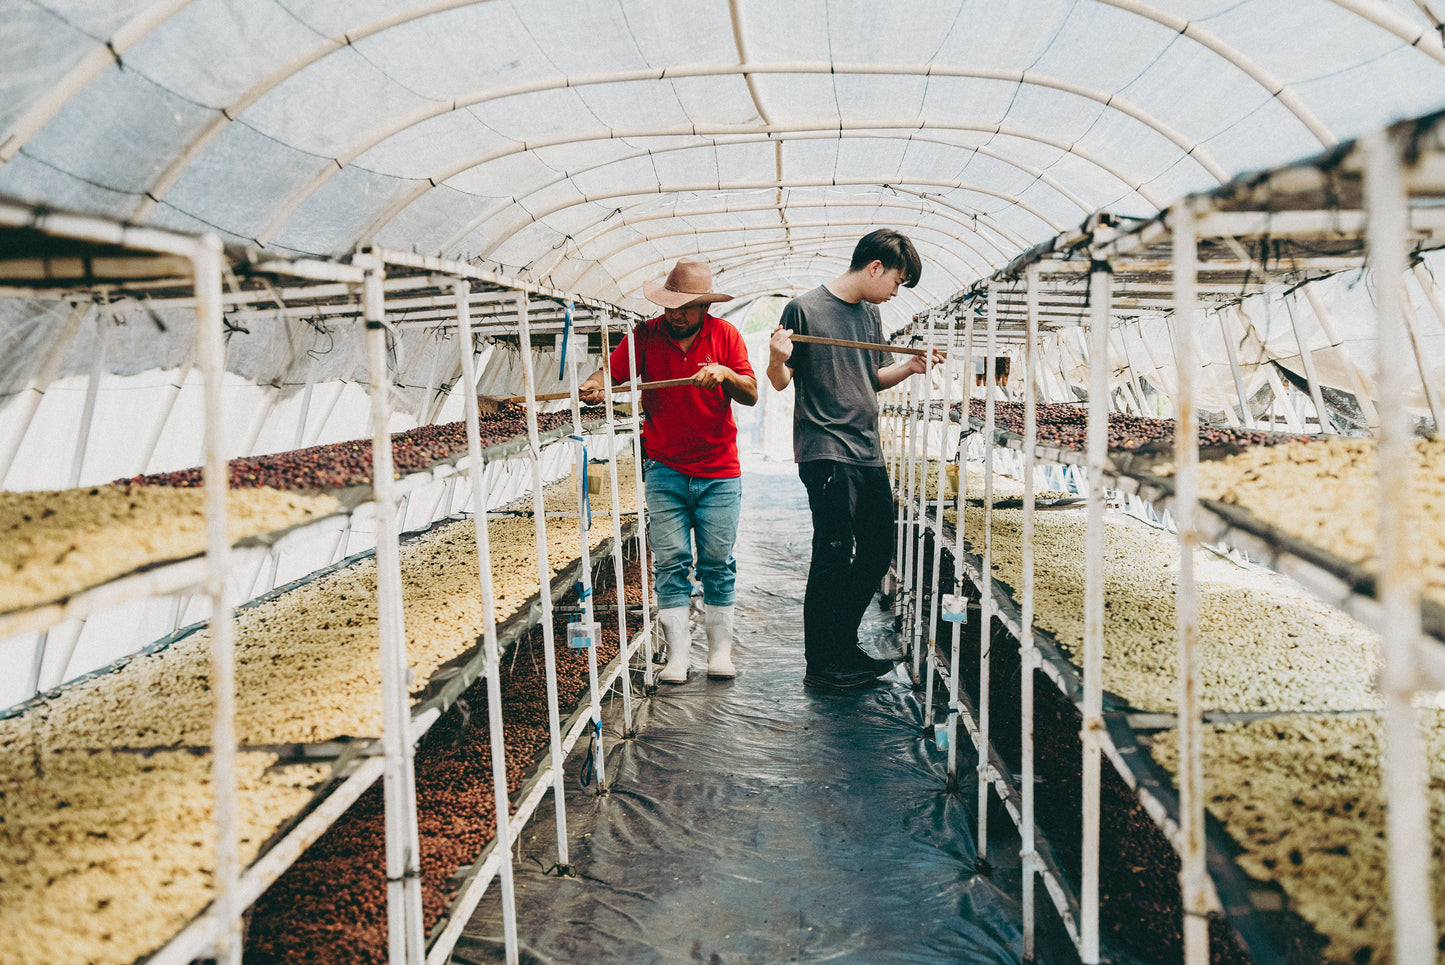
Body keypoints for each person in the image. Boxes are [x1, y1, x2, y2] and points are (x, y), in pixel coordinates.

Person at [766, 229, 939, 691]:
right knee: (834, 551)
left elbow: (871, 378)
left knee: (879, 549)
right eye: (897, 282)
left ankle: (840, 643)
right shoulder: (804, 309)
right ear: (875, 267)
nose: (895, 292)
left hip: (867, 449)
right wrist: (774, 359)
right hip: (826, 450)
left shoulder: (869, 314)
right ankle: (822, 663)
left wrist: (909, 366)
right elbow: (782, 381)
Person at [580, 258, 757, 683]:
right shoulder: (645, 335)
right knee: (671, 561)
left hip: (719, 472)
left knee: (716, 562)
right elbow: (612, 373)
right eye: (670, 307)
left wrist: (725, 373)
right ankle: (678, 657)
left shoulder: (725, 336)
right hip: (665, 469)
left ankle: (719, 653)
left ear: (704, 309)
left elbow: (750, 393)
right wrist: (595, 384)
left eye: (685, 308)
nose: (674, 315)